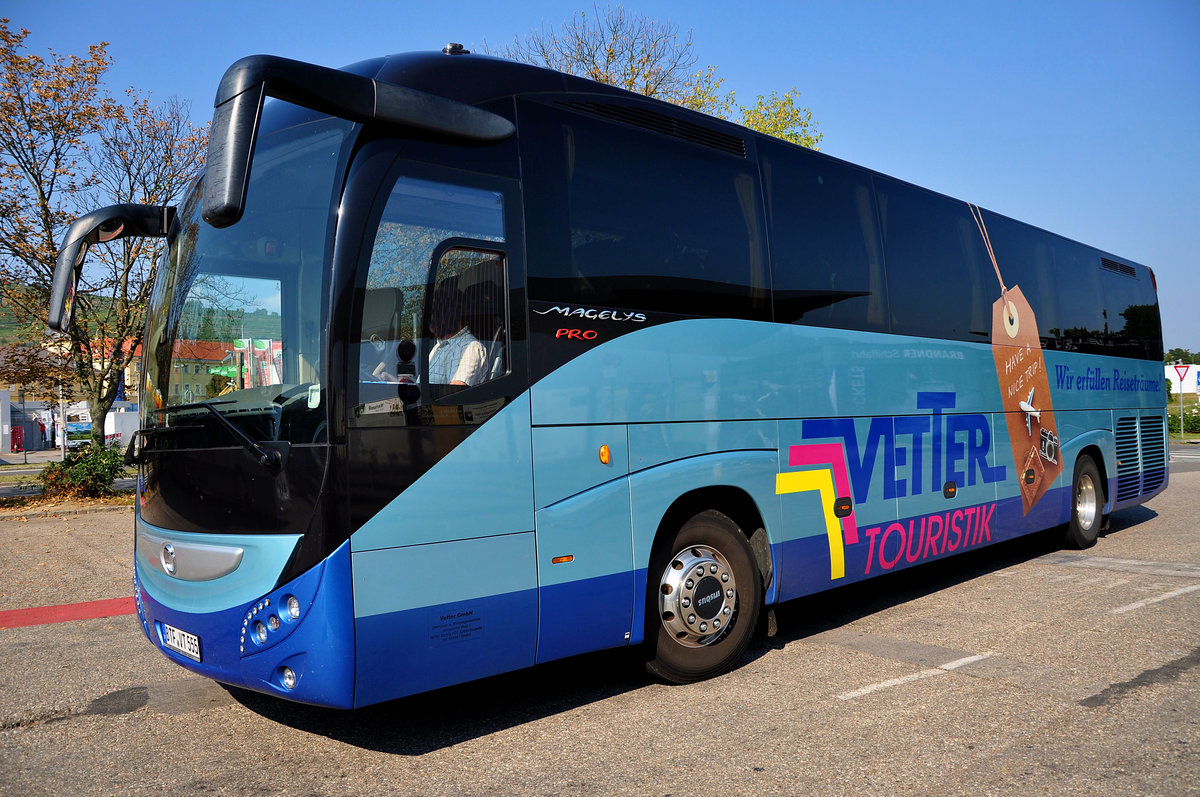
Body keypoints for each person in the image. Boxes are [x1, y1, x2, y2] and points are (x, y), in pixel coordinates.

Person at [427, 281, 487, 386]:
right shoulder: (438, 347)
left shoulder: (470, 347)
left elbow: (455, 391)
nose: (430, 321)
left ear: (450, 314)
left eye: (436, 314)